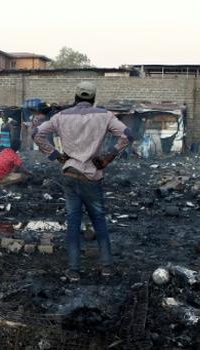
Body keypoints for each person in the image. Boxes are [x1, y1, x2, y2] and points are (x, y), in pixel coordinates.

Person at [34, 81, 133, 282]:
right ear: (93, 98)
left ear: (76, 97)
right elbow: (127, 135)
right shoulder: (104, 116)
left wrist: (55, 155)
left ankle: (73, 270)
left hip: (70, 173)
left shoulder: (60, 117)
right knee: (98, 219)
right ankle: (106, 267)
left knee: (73, 221)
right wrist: (109, 156)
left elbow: (37, 134)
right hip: (92, 175)